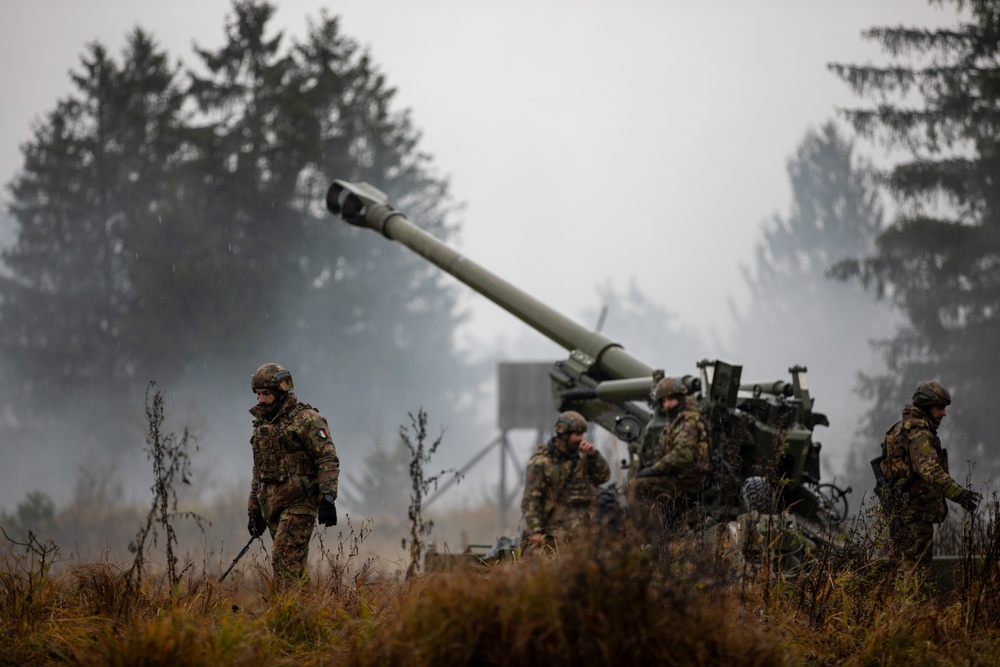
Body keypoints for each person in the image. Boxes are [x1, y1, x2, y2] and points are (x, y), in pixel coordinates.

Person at [875, 380, 980, 585]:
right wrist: (959, 494)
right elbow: (930, 470)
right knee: (914, 573)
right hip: (916, 514)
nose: (943, 413)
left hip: (903, 512)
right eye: (939, 408)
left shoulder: (898, 429)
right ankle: (907, 614)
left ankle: (895, 613)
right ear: (925, 406)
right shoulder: (919, 433)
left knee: (901, 567)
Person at [246, 363, 340, 585]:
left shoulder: (307, 420)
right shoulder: (262, 426)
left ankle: (287, 614)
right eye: (259, 394)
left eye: (266, 394)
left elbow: (327, 459)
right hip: (272, 507)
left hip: (300, 502)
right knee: (294, 569)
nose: (261, 400)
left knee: (283, 559)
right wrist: (254, 512)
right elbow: (258, 472)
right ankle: (303, 614)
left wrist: (327, 498)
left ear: (281, 391)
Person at [520, 410, 611, 549]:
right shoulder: (542, 462)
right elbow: (531, 500)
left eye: (582, 434)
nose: (581, 438)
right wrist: (536, 531)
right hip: (554, 535)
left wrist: (594, 456)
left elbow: (603, 476)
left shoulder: (582, 458)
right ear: (564, 434)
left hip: (583, 533)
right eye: (577, 434)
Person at [630, 376, 711, 524]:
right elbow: (663, 452)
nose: (667, 405)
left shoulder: (688, 421)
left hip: (688, 481)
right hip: (679, 477)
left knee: (638, 487)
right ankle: (668, 526)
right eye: (663, 401)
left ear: (680, 398)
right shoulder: (676, 421)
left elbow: (682, 455)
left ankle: (654, 532)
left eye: (670, 399)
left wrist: (654, 469)